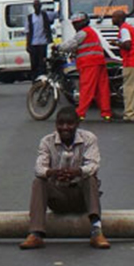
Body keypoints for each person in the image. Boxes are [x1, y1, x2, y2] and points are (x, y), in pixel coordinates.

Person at [19, 106, 110, 250]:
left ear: (77, 124)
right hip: (58, 197)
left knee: (90, 177)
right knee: (39, 181)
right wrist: (52, 173)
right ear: (56, 125)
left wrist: (77, 172)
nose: (65, 128)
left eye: (70, 124)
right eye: (61, 124)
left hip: (81, 198)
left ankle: (96, 231)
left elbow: (93, 165)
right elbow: (39, 168)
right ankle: (35, 233)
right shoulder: (46, 142)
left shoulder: (89, 139)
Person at [57, 13, 112, 122]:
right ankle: (106, 113)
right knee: (101, 89)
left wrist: (58, 47)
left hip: (89, 63)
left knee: (86, 88)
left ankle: (80, 113)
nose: (74, 26)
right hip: (99, 62)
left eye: (75, 23)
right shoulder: (91, 32)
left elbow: (71, 44)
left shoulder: (82, 33)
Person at [26, 0, 57, 79]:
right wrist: (27, 44)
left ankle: (42, 78)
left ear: (40, 6)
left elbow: (57, 14)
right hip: (33, 43)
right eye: (35, 6)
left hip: (43, 43)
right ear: (33, 7)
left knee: (42, 63)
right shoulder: (30, 17)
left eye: (38, 6)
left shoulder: (45, 15)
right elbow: (27, 31)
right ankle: (35, 79)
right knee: (34, 63)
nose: (37, 7)